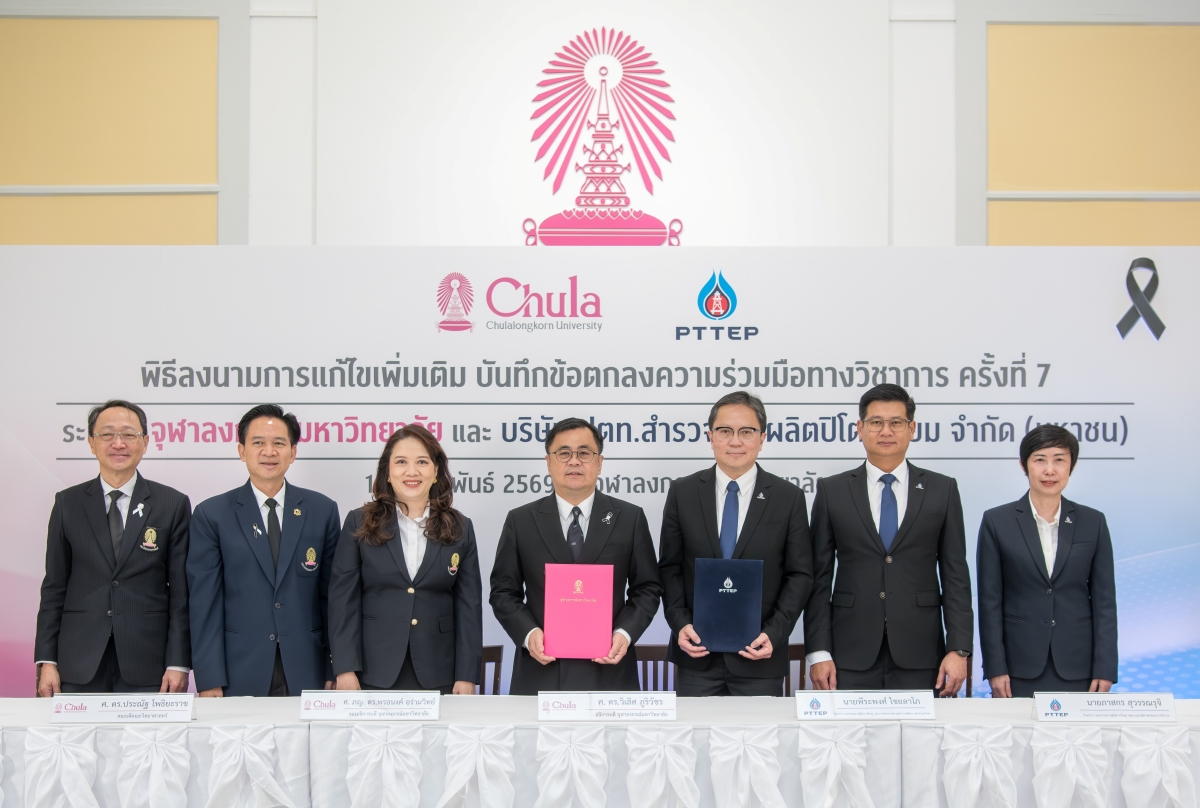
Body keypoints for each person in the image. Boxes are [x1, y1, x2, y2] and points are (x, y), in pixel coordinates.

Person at [805, 384, 973, 694]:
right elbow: (818, 578)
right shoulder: (832, 491)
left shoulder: (942, 489)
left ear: (912, 429)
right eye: (876, 422)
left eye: (896, 422)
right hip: (849, 653)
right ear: (860, 428)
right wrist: (818, 651)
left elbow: (956, 576)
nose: (886, 431)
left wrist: (959, 648)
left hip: (922, 652)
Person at [490, 417, 662, 693]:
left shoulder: (630, 518)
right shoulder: (520, 521)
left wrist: (624, 633)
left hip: (609, 672)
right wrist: (529, 633)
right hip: (540, 672)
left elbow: (647, 588)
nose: (574, 461)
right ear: (548, 462)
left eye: (584, 453)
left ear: (599, 462)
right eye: (563, 453)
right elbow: (503, 592)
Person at [658, 391, 814, 696]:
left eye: (747, 432)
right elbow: (669, 567)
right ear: (710, 436)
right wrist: (679, 623)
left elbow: (800, 575)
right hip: (697, 655)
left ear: (762, 438)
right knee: (696, 729)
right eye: (725, 431)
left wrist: (775, 633)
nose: (735, 441)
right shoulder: (683, 492)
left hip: (760, 655)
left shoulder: (788, 498)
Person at [34, 400, 191, 694]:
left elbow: (181, 593)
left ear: (145, 442)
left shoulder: (172, 504)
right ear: (92, 443)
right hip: (77, 661)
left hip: (149, 663)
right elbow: (54, 587)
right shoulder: (68, 503)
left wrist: (178, 662)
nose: (118, 443)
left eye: (129, 435)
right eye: (107, 434)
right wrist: (47, 660)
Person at [187, 404, 340, 697]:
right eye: (258, 442)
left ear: (292, 452)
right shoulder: (212, 514)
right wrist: (209, 677)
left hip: (307, 668)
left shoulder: (322, 510)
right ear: (242, 451)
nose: (269, 452)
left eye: (279, 443)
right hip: (238, 670)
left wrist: (332, 667)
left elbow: (332, 598)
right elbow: (204, 603)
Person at [328, 425, 481, 694]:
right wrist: (345, 668)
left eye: (422, 462)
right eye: (401, 462)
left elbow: (469, 607)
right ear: (388, 471)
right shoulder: (359, 522)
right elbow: (343, 601)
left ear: (436, 470)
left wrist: (466, 675)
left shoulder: (461, 527)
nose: (412, 471)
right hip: (372, 671)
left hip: (440, 671)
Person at [977, 425, 1117, 697]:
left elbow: (1105, 602)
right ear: (1024, 465)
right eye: (1040, 460)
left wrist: (1105, 667)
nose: (1049, 470)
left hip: (1079, 666)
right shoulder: (997, 521)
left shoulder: (1093, 522)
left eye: (1059, 460)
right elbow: (989, 601)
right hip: (1018, 666)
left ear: (1071, 466)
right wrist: (995, 666)